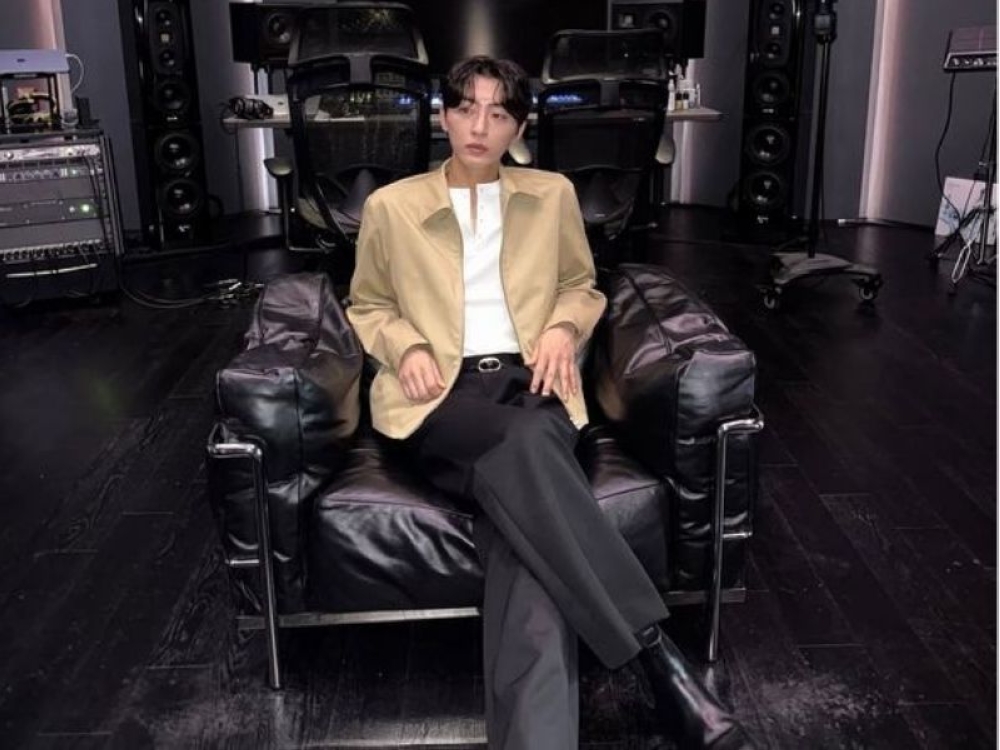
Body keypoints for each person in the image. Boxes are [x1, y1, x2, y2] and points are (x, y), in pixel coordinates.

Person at [347, 55, 754, 750]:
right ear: (443, 116)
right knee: (528, 445)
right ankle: (658, 658)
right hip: (440, 395)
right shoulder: (393, 206)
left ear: (519, 127)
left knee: (526, 539)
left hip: (534, 380)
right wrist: (405, 344)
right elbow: (368, 303)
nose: (480, 126)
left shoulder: (551, 195)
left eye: (498, 112)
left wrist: (564, 328)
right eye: (465, 108)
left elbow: (579, 285)